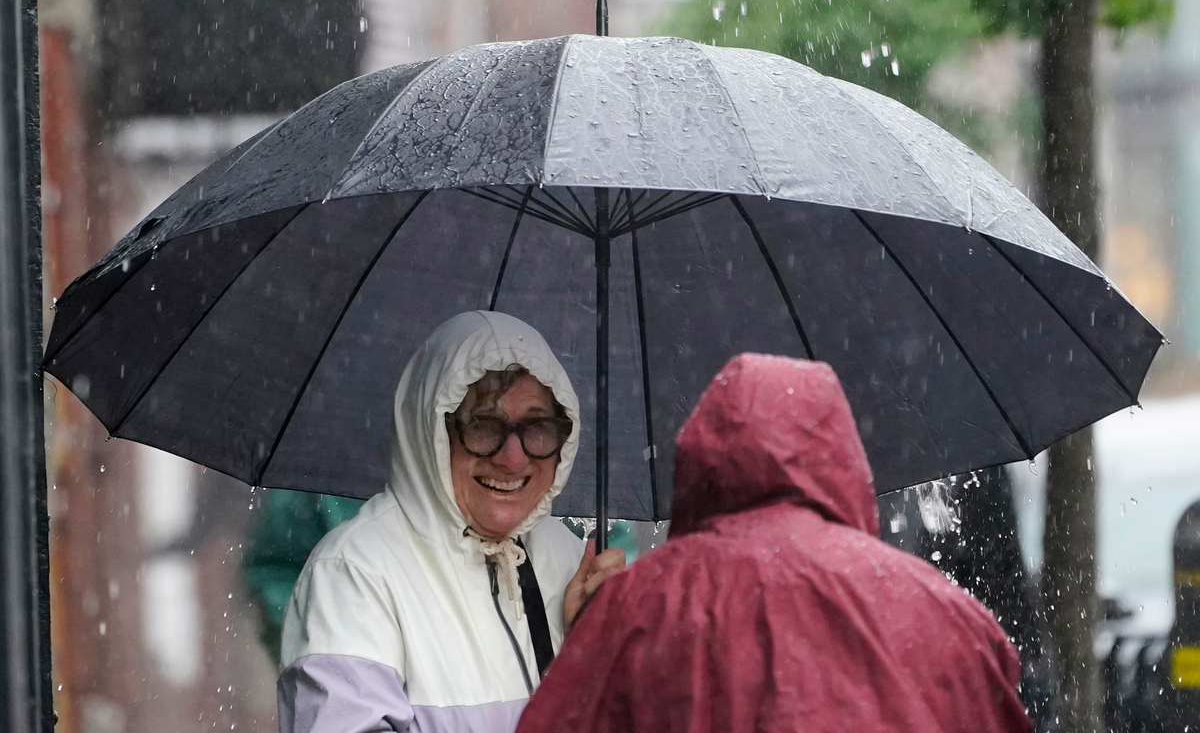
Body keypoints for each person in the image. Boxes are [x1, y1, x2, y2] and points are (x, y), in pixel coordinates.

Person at [517, 353, 1032, 733]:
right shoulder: (946, 614)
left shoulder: (637, 608)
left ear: (699, 459)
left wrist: (588, 645)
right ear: (842, 454)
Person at [278, 311, 625, 733]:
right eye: (483, 426)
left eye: (537, 428)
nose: (512, 458)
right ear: (430, 432)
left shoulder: (576, 565)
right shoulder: (354, 573)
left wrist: (604, 661)